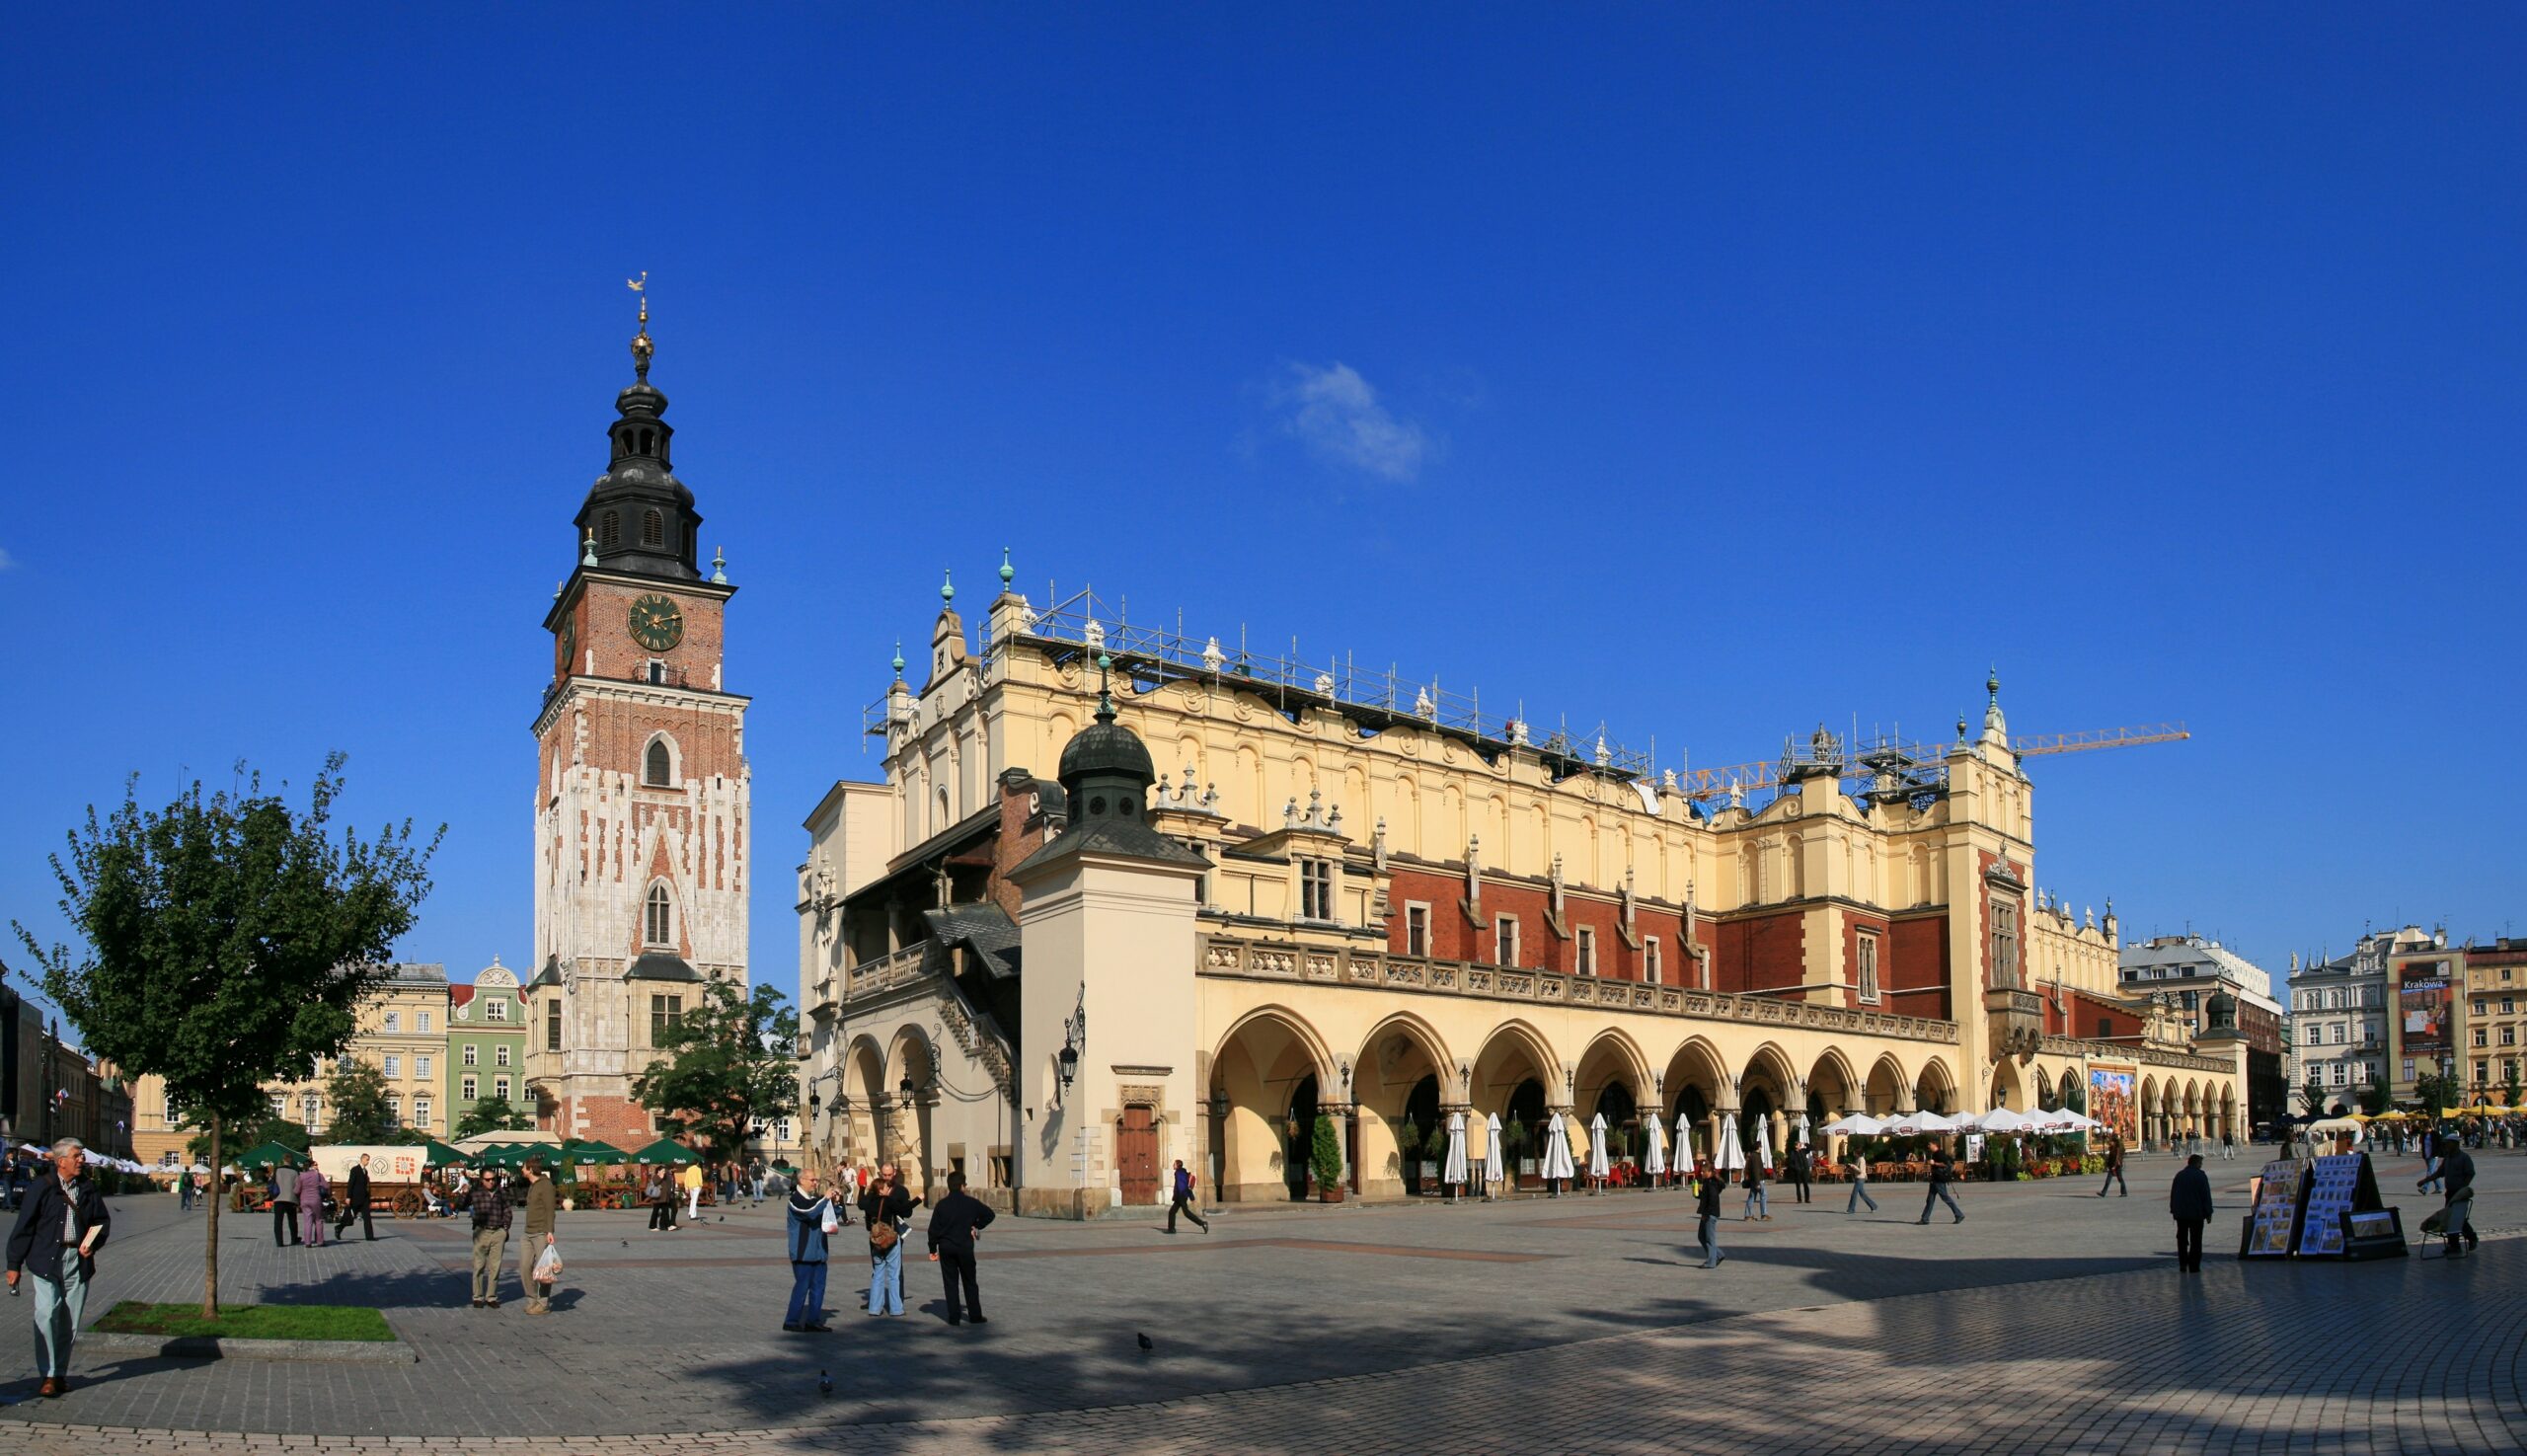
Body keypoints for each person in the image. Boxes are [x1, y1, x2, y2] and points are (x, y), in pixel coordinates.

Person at [6, 1139, 113, 1398]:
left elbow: (101, 1220)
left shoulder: (87, 1187)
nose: (81, 1160)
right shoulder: (42, 1187)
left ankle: (60, 1373)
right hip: (45, 1261)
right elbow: (24, 1227)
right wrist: (14, 1265)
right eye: (77, 1156)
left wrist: (92, 1243)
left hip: (78, 1261)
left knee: (69, 1323)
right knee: (46, 1314)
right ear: (60, 1160)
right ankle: (48, 1374)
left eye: (82, 1156)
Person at [926, 1170, 996, 1326]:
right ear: (963, 1186)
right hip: (964, 1246)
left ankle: (954, 1317)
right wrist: (976, 1225)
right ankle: (975, 1315)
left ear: (949, 1186)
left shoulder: (941, 1205)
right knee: (970, 1281)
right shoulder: (971, 1203)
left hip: (946, 1247)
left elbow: (933, 1230)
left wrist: (932, 1249)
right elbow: (990, 1214)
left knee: (950, 1282)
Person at [858, 1164, 918, 1318]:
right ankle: (895, 1308)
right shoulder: (887, 1199)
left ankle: (875, 1307)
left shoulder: (900, 1191)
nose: (886, 1179)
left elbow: (861, 1204)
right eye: (884, 1176)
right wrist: (919, 1199)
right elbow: (906, 1210)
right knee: (892, 1273)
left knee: (879, 1272)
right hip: (890, 1238)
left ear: (894, 1173)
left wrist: (861, 1188)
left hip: (876, 1238)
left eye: (889, 1175)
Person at [784, 1170, 836, 1333]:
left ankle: (813, 1320)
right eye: (813, 1180)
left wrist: (835, 1201)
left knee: (818, 1287)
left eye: (816, 1180)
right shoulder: (795, 1200)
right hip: (803, 1253)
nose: (815, 1183)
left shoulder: (814, 1199)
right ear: (802, 1180)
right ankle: (791, 1321)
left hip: (819, 1252)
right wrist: (825, 1199)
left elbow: (831, 1214)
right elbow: (809, 1212)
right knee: (802, 1287)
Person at [469, 1158, 514, 1308]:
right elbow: (460, 1204)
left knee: (495, 1266)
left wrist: (505, 1229)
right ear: (482, 1180)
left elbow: (508, 1210)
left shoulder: (501, 1192)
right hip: (481, 1231)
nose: (491, 1182)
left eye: (493, 1179)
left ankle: (491, 1297)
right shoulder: (476, 1192)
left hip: (497, 1232)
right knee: (479, 1265)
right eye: (487, 1180)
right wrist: (465, 1192)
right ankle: (477, 1296)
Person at [517, 1159, 559, 1314]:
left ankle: (543, 1303)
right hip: (528, 1232)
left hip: (541, 1232)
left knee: (543, 1269)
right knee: (524, 1266)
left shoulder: (545, 1185)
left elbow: (550, 1209)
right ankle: (531, 1299)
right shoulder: (532, 1185)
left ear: (530, 1169)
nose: (521, 1170)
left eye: (523, 1167)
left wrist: (550, 1231)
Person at [2169, 1153, 2213, 1272]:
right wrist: (2208, 1212)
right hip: (2196, 1214)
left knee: (2182, 1239)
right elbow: (2206, 1195)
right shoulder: (2200, 1176)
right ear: (2197, 1163)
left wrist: (2173, 1209)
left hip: (2181, 1214)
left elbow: (2173, 1194)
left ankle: (2183, 1264)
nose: (2201, 1165)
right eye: (2201, 1163)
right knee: (2196, 1240)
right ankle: (2194, 1265)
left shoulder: (2180, 1175)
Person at [2439, 1138, 2479, 1259]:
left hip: (2459, 1192)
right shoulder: (2448, 1157)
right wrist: (2426, 1180)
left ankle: (2471, 1238)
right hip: (2450, 1193)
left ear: (2455, 1144)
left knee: (2458, 1217)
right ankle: (2454, 1244)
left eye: (2448, 1143)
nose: (2446, 1146)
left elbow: (2470, 1173)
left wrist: (2463, 1188)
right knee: (2451, 1218)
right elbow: (2440, 1172)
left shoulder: (2464, 1157)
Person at [1918, 1147, 1963, 1224]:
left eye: (1930, 1144)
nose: (1928, 1146)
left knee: (1945, 1197)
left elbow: (1944, 1164)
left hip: (1939, 1180)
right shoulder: (1935, 1153)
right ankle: (1925, 1218)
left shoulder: (1940, 1154)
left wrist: (1934, 1163)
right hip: (1934, 1180)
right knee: (1930, 1200)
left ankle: (1959, 1214)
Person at [1166, 1159, 1209, 1234]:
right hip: (1180, 1196)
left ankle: (1202, 1223)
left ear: (1178, 1165)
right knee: (1172, 1212)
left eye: (1174, 1164)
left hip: (1181, 1196)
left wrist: (1180, 1195)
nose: (1173, 1165)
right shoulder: (1181, 1172)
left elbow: (1181, 1185)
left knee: (1186, 1213)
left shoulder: (1179, 1173)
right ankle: (1171, 1229)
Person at [1694, 1164, 1725, 1268]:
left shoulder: (1711, 1183)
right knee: (1701, 1236)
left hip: (1710, 1214)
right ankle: (1719, 1255)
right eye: (1701, 1171)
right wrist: (1698, 1194)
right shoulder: (1708, 1182)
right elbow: (1706, 1197)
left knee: (1709, 1239)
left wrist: (1706, 1214)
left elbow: (1712, 1200)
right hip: (1707, 1213)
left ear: (1709, 1172)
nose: (1701, 1173)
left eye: (1703, 1171)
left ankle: (1711, 1262)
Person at [340, 1154, 375, 1242]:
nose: (368, 1161)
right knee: (350, 1217)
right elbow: (350, 1183)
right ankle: (339, 1228)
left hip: (364, 1198)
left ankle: (369, 1236)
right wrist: (348, 1197)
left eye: (368, 1159)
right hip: (355, 1198)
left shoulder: (365, 1171)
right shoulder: (355, 1170)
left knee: (367, 1217)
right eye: (367, 1159)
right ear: (362, 1159)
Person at [271, 1159, 302, 1247]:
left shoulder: (277, 1170)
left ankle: (279, 1241)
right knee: (292, 1220)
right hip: (291, 1198)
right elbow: (298, 1186)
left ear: (283, 1160)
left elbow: (273, 1181)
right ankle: (294, 1239)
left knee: (278, 1221)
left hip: (279, 1197)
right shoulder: (295, 1171)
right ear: (291, 1161)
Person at [298, 1160, 329, 1248]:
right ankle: (320, 1241)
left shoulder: (301, 1176)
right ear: (312, 1166)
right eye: (315, 1164)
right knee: (318, 1220)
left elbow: (297, 1189)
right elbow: (326, 1186)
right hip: (316, 1199)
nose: (317, 1166)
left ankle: (307, 1242)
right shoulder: (318, 1175)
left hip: (304, 1200)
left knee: (307, 1221)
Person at [1845, 1147, 1879, 1215]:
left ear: (1858, 1153)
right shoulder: (1858, 1159)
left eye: (1855, 1152)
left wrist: (1853, 1166)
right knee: (1862, 1194)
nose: (1854, 1153)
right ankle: (1873, 1206)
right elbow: (1858, 1170)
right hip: (1858, 1177)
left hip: (1860, 1178)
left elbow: (1860, 1170)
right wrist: (1850, 1168)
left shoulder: (1861, 1159)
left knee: (1854, 1194)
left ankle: (1851, 1209)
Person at [646, 1167, 677, 1233]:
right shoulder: (656, 1176)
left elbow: (668, 1183)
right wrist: (661, 1177)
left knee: (666, 1212)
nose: (664, 1172)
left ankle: (668, 1226)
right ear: (658, 1171)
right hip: (657, 1198)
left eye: (664, 1171)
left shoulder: (665, 1176)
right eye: (662, 1171)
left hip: (664, 1198)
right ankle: (652, 1226)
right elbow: (655, 1183)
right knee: (655, 1212)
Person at [681, 1159, 705, 1223]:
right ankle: (693, 1215)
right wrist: (701, 1185)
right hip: (696, 1186)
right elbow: (700, 1178)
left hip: (690, 1186)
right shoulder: (698, 1169)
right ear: (697, 1163)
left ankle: (690, 1212)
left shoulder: (688, 1169)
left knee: (692, 1200)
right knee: (694, 1200)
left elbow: (686, 1179)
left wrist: (686, 1187)